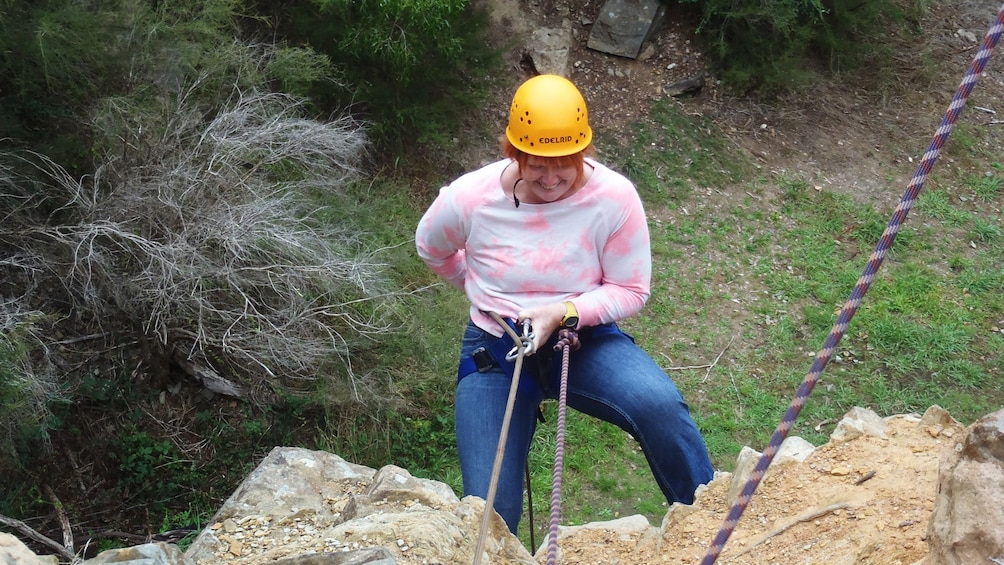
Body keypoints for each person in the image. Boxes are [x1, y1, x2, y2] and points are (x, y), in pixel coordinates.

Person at [415, 74, 714, 534]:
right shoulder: (469, 199)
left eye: (565, 164)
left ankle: (713, 527)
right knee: (489, 515)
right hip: (497, 348)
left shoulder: (612, 199)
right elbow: (431, 247)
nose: (552, 178)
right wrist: (482, 294)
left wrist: (562, 311)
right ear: (514, 152)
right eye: (537, 165)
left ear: (583, 153)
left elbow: (631, 289)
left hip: (583, 338)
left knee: (659, 408)